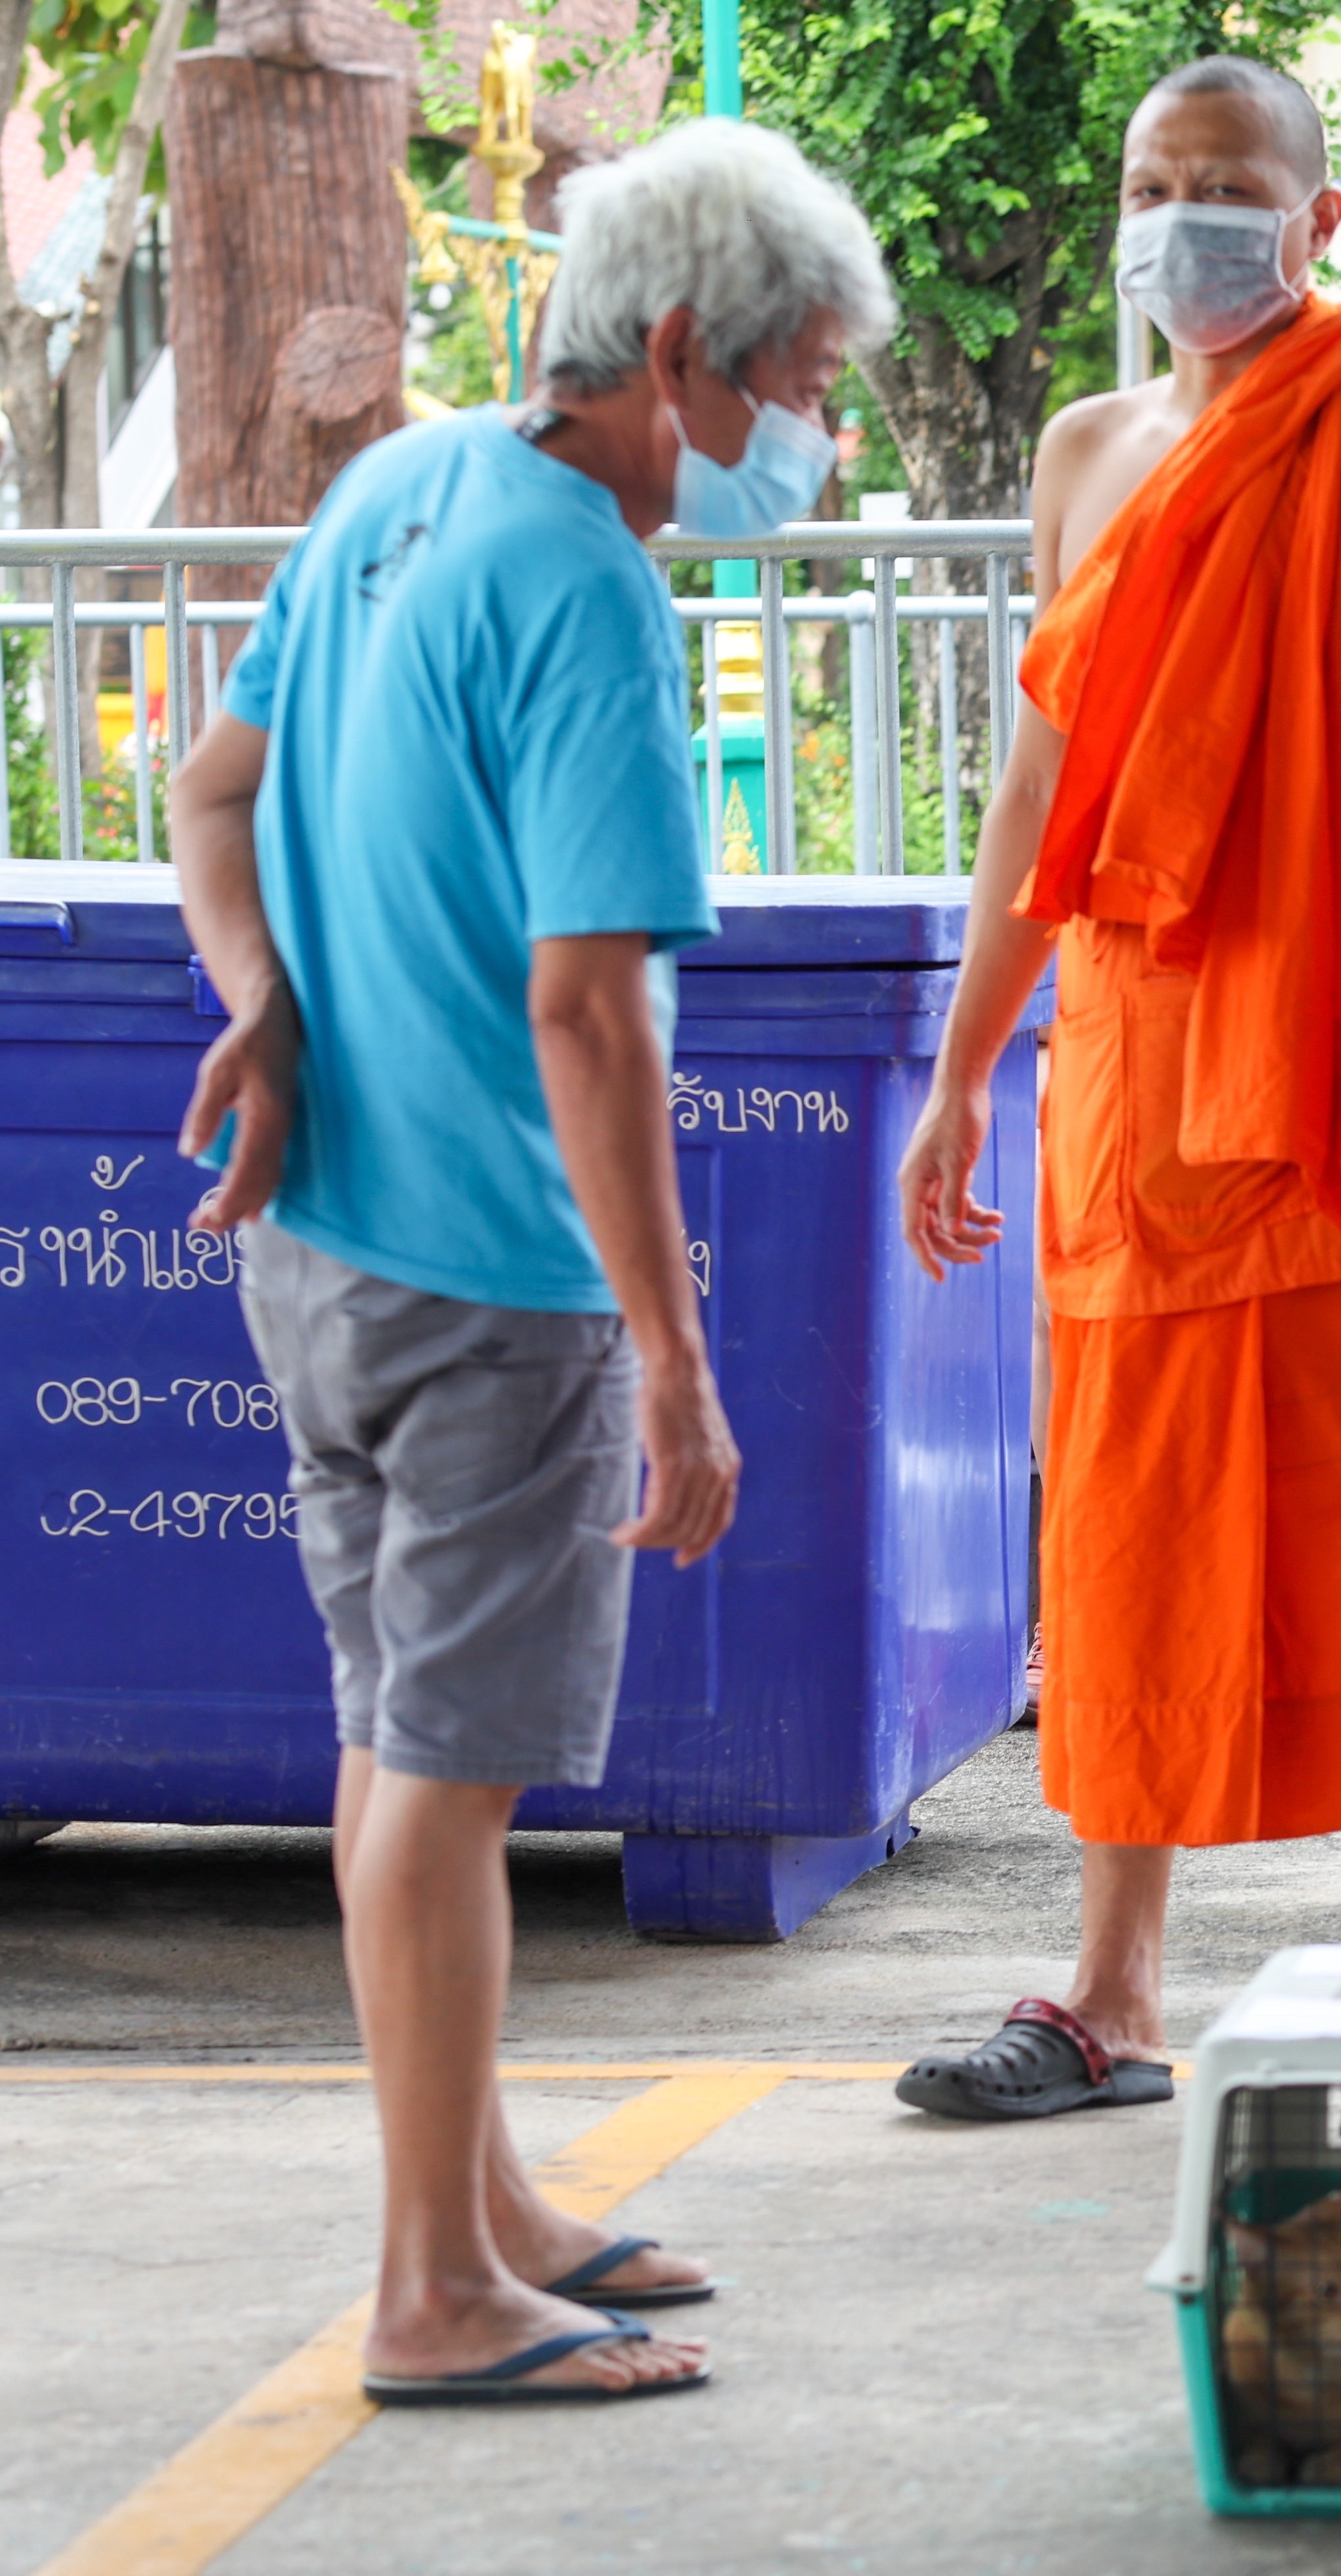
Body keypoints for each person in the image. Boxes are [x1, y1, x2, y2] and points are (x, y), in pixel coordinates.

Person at [163, 120, 885, 2402]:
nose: (816, 433)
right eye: (801, 380)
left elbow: (209, 788)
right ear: (677, 356)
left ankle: (482, 2202)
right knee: (443, 1780)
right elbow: (588, 1008)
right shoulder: (579, 579)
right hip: (490, 1279)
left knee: (405, 1753)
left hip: (326, 1245)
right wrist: (677, 1362)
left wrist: (257, 1009)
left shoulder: (393, 493)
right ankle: (431, 2290)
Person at [885, 57, 1341, 2121]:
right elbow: (1044, 778)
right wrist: (961, 1070)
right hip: (1130, 1051)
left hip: (1340, 1044)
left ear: (1318, 221)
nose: (1182, 217)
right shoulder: (1090, 448)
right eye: (1153, 181)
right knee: (1124, 1503)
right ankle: (1109, 1994)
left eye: (1227, 185)